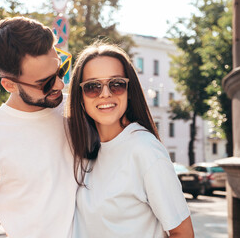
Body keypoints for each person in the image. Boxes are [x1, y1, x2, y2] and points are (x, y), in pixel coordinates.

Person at [0, 16, 77, 238]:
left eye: (61, 69)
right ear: (9, 85)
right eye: (45, 83)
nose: (60, 84)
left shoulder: (81, 107)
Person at [67, 42, 194, 238]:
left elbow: (182, 233)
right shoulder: (84, 149)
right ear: (80, 96)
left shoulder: (145, 149)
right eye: (92, 87)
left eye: (116, 84)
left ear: (129, 90)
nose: (105, 93)